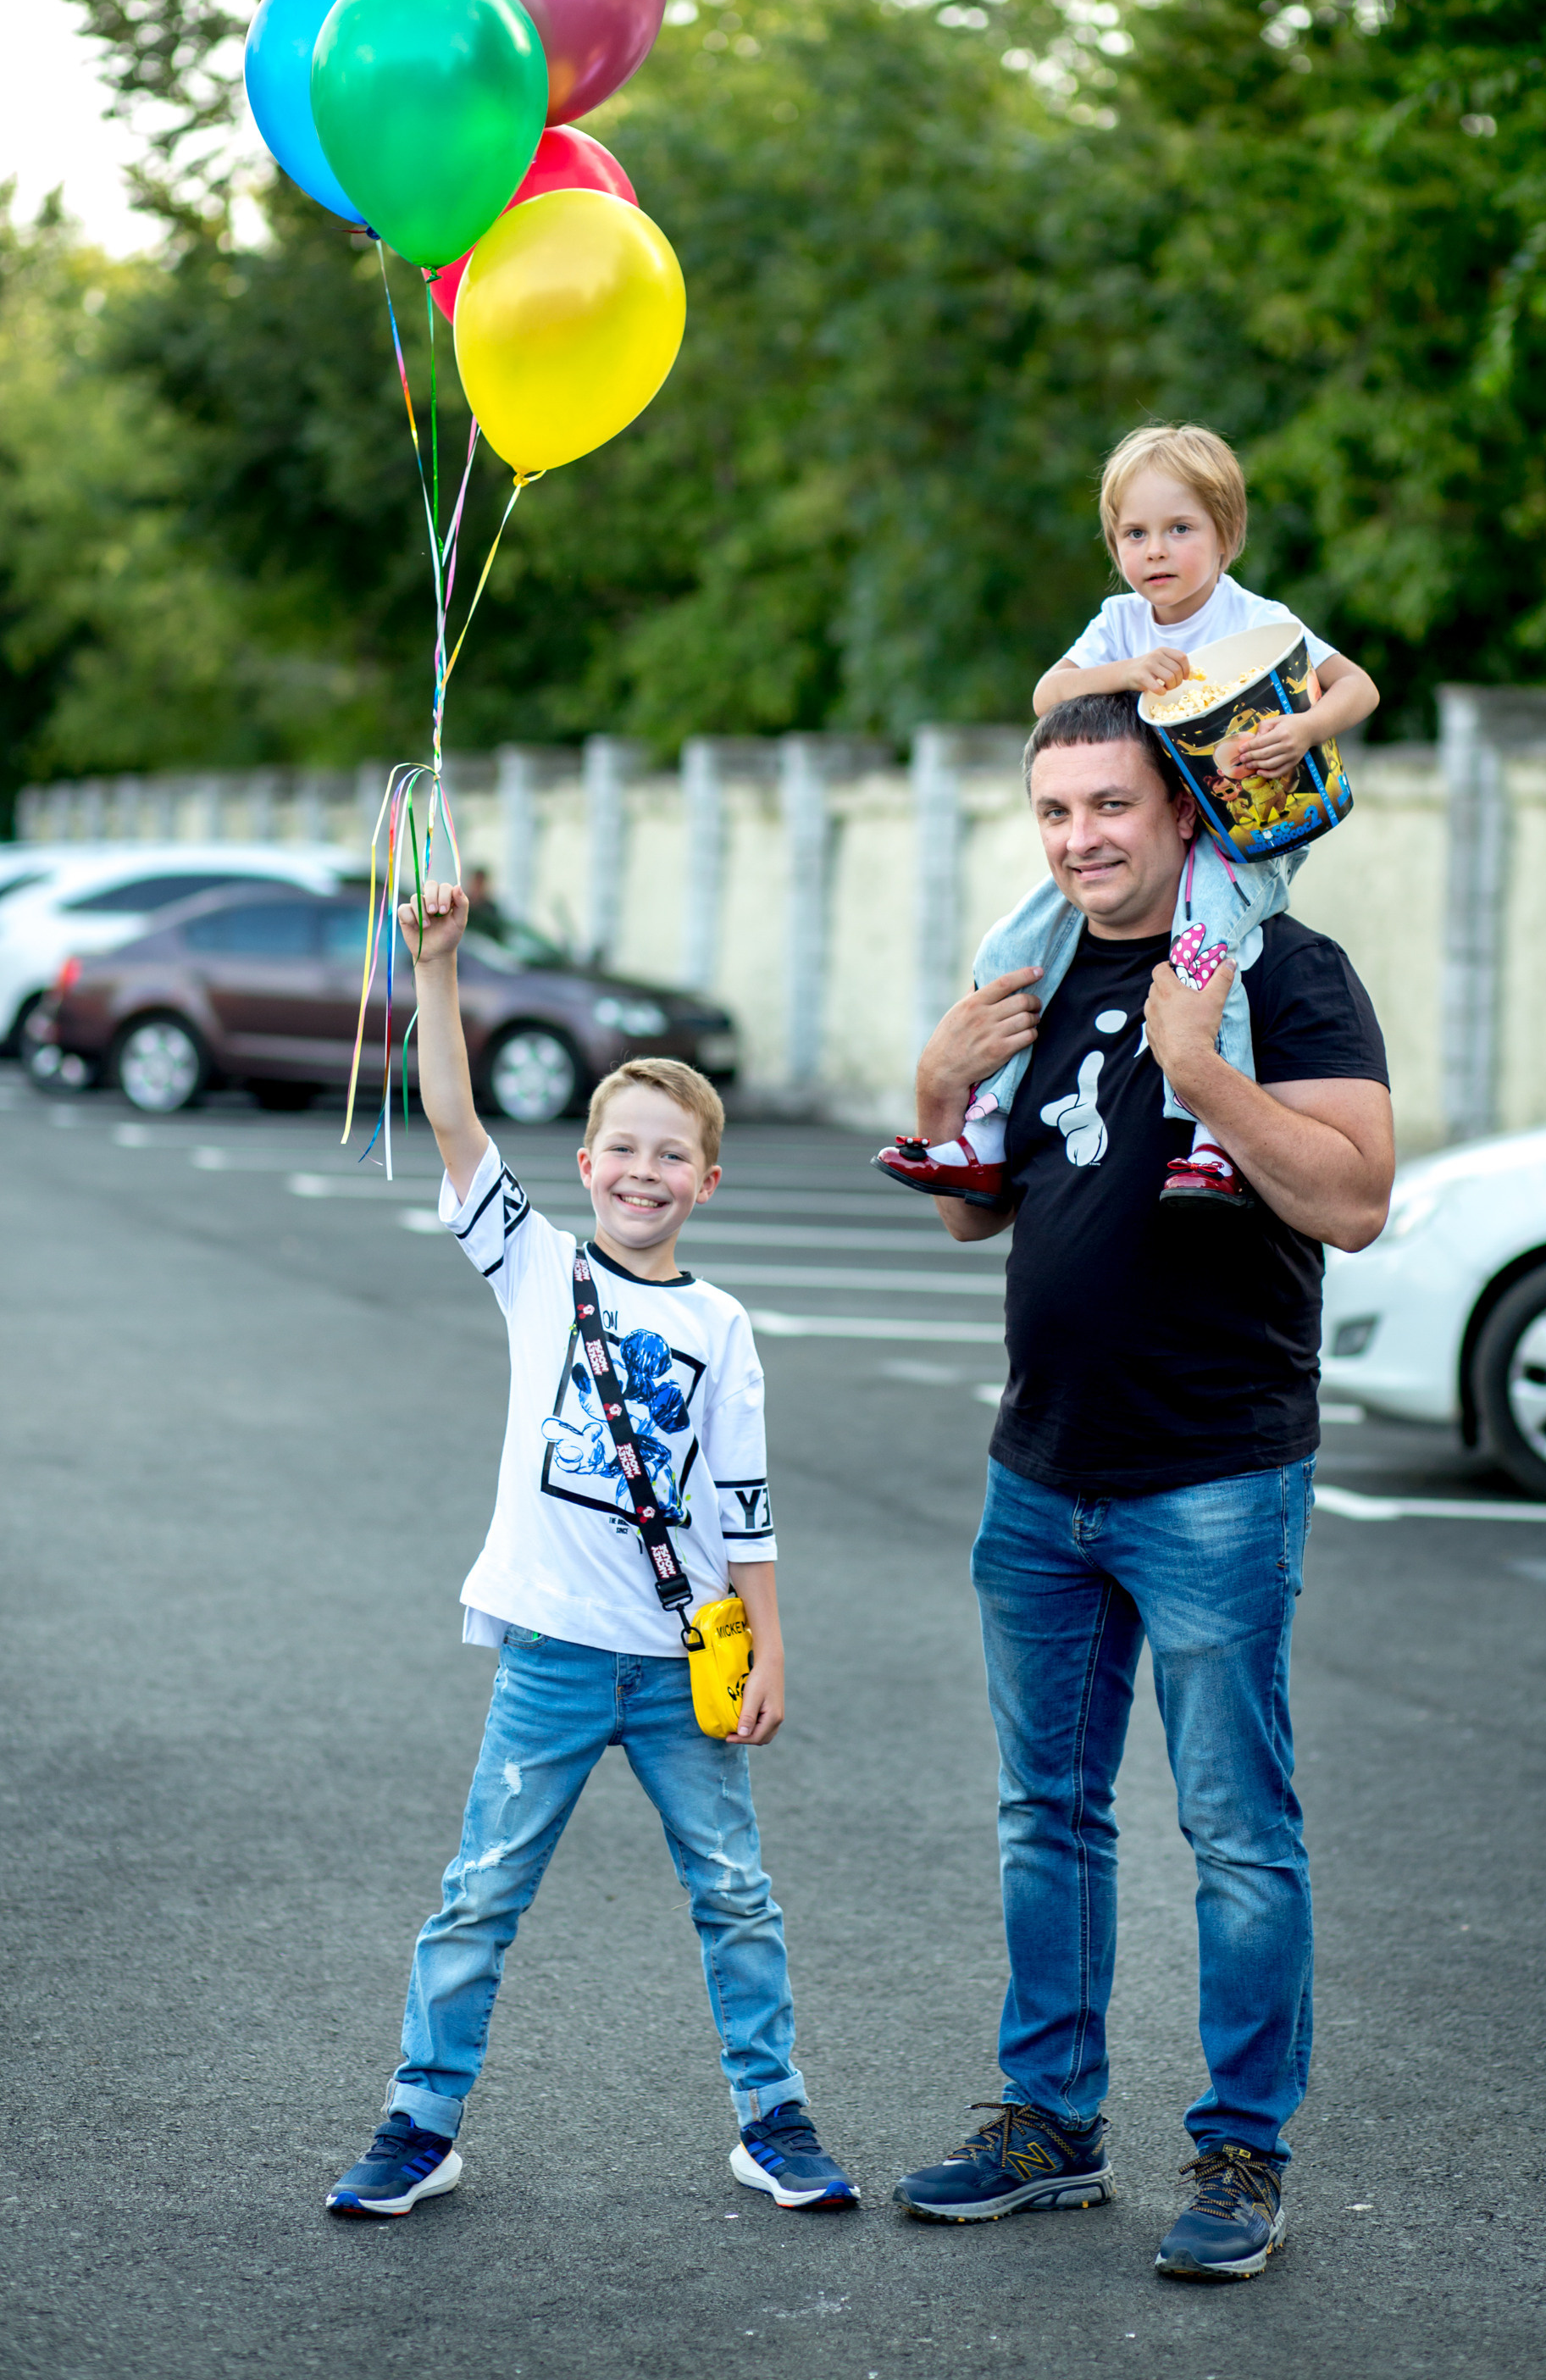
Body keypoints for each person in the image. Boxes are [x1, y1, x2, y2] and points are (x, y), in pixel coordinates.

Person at [890, 694, 1394, 2278]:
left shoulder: (1286, 975)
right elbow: (981, 1214)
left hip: (1216, 1478)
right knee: (1049, 1813)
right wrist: (933, 1088)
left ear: (1182, 811)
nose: (1081, 838)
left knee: (1239, 1830)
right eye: (1055, 814)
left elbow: (1355, 1198)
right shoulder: (1033, 971)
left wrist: (1203, 1069)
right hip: (1040, 1475)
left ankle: (1243, 2152)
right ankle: (1051, 2128)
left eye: (1109, 805)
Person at [326, 879, 857, 2218]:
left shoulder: (724, 1325)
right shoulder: (539, 1273)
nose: (642, 1171)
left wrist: (771, 1649)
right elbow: (454, 1118)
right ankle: (420, 2120)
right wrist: (437, 970)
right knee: (479, 1895)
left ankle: (773, 2117)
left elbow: (745, 1499)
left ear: (708, 1181)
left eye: (670, 1155)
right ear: (585, 1163)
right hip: (556, 1654)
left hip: (686, 1659)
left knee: (736, 1896)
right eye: (621, 1148)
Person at [877, 424, 1378, 1210]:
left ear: (1226, 534)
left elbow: (1359, 687)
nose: (1156, 551)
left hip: (1245, 836)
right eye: (1134, 534)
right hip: (1157, 831)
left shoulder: (1254, 618)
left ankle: (1211, 1140)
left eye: (1179, 529)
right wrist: (1121, 672)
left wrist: (1304, 728)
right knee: (1014, 942)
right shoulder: (1120, 624)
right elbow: (1049, 696)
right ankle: (984, 1127)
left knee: (1211, 960)